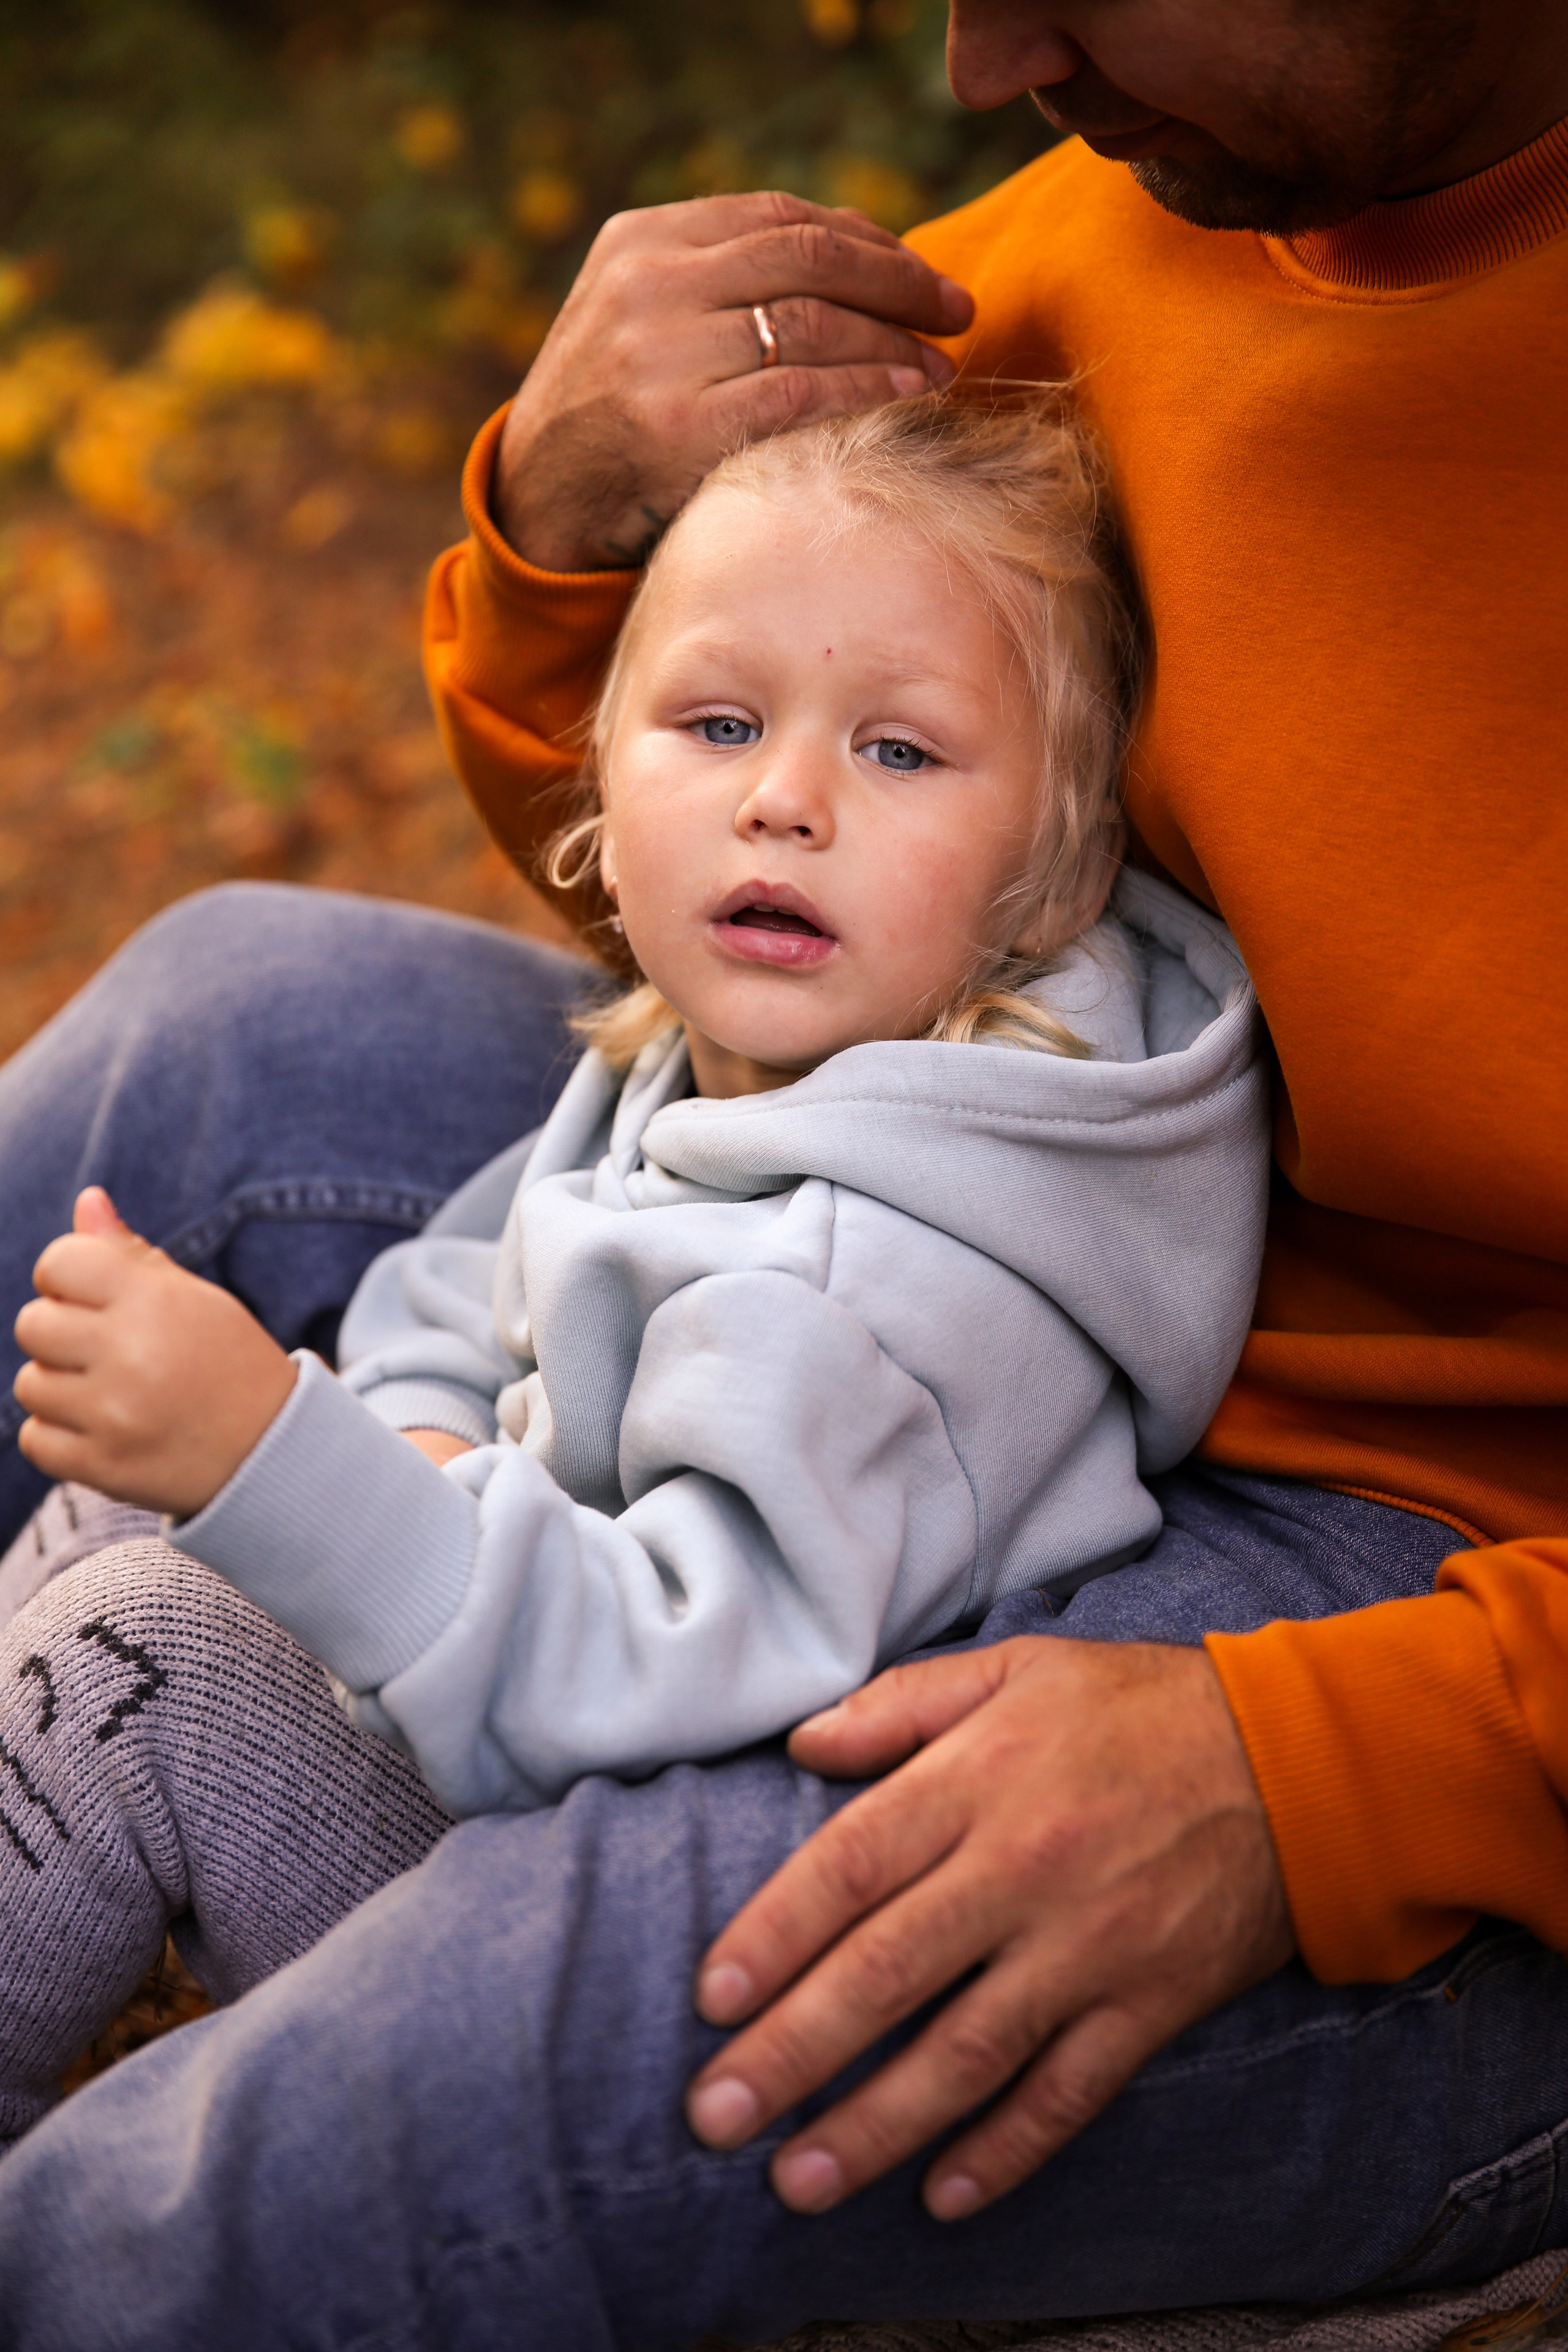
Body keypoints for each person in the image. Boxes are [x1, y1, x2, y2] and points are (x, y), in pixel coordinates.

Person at [0, 0, 1560, 2342]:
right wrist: (560, 513)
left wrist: (1340, 1772)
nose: (979, 52)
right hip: (972, 1200)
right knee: (224, 1031)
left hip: (1425, 1614)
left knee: (480, 2079)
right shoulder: (1102, 232)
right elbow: (743, 844)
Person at [0, 401, 1264, 2128]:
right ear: (603, 776)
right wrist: (416, 1446)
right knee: (127, 1511)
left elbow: (653, 1680)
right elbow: (463, 1287)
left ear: (1054, 869)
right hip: (503, 1675)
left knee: (151, 1654)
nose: (785, 800)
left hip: (662, 1922)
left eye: (900, 753)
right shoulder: (716, 1046)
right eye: (720, 723)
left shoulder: (891, 1291)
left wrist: (289, 1469)